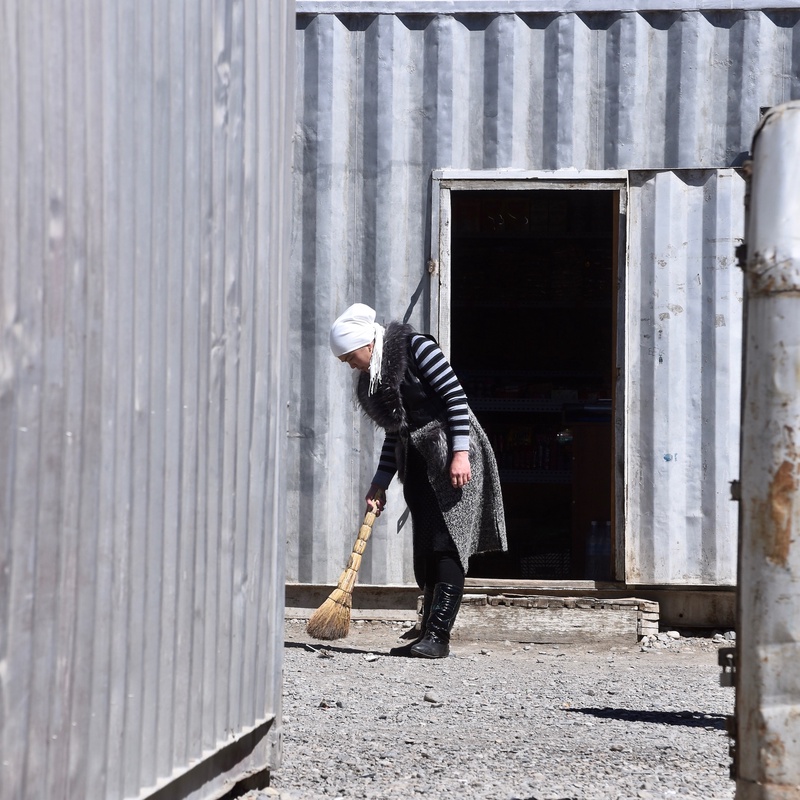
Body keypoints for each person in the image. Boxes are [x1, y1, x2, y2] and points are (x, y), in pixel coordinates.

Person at [329, 303, 507, 658]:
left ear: (367, 343)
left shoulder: (417, 348)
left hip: (451, 451)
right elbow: (395, 432)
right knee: (426, 548)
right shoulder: (375, 375)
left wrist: (460, 454)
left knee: (447, 543)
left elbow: (456, 398)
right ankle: (426, 631)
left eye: (349, 356)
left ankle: (439, 637)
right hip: (418, 461)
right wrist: (380, 482)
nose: (350, 365)